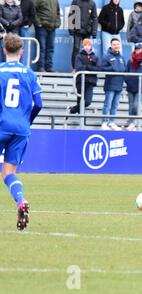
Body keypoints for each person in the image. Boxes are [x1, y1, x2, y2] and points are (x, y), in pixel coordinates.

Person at [0, 33, 42, 230]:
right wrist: (28, 121)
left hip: (1, 124)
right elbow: (39, 104)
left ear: (4, 50)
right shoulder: (29, 73)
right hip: (21, 129)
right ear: (22, 52)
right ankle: (21, 201)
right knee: (9, 173)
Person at [125, 43, 142, 131]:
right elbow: (126, 71)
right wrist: (128, 80)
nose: (137, 50)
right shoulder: (131, 60)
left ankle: (134, 122)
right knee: (131, 105)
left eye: (139, 49)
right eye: (136, 49)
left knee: (136, 105)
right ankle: (130, 121)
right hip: (131, 85)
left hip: (141, 87)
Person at [68, 38, 100, 115]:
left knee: (87, 101)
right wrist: (90, 68)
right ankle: (81, 122)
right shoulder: (79, 56)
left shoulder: (95, 57)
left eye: (89, 45)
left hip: (90, 82)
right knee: (80, 102)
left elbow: (98, 69)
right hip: (80, 81)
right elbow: (79, 68)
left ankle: (71, 110)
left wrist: (86, 67)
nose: (87, 47)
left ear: (91, 46)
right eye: (85, 45)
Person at [100, 38, 126, 130]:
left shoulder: (122, 57)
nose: (116, 46)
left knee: (115, 105)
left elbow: (124, 70)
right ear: (111, 45)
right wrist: (112, 69)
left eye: (118, 44)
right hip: (110, 85)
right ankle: (104, 122)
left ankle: (111, 122)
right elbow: (102, 69)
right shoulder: (106, 56)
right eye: (114, 44)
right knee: (107, 104)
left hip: (119, 85)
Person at [68, 0, 98, 69]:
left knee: (87, 50)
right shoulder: (76, 1)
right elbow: (71, 15)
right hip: (77, 31)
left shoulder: (92, 3)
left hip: (87, 31)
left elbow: (95, 18)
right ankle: (75, 68)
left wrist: (94, 31)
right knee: (76, 49)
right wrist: (71, 28)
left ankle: (85, 68)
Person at [34, 0, 60, 72]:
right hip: (42, 28)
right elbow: (33, 10)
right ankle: (40, 67)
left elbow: (58, 12)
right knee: (41, 48)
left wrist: (57, 23)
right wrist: (38, 23)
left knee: (50, 48)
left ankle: (49, 67)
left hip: (52, 27)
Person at [18, 0, 35, 66]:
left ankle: (21, 65)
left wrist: (28, 24)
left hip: (24, 28)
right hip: (13, 28)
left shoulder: (29, 2)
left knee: (22, 48)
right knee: (12, 47)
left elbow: (33, 15)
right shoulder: (12, 1)